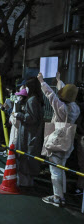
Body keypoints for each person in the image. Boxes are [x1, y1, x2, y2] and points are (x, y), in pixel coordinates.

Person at [38, 72, 80, 207]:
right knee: (61, 168)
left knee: (54, 171)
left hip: (56, 142)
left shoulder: (60, 108)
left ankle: (57, 197)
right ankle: (62, 194)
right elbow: (62, 96)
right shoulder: (75, 108)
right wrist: (59, 81)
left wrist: (42, 81)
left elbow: (51, 95)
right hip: (68, 142)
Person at [14, 76, 44, 189]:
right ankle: (27, 181)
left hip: (28, 133)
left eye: (25, 86)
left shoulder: (32, 100)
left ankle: (24, 183)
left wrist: (19, 115)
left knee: (25, 156)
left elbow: (31, 118)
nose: (23, 88)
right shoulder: (36, 99)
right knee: (29, 157)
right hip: (32, 133)